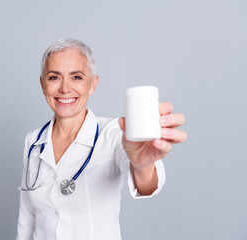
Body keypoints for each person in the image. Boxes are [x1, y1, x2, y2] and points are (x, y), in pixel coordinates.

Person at [16, 39, 187, 240]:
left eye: (76, 77)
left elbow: (145, 184)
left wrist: (143, 165)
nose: (64, 88)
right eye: (54, 77)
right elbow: (27, 220)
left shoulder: (114, 133)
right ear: (43, 84)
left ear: (92, 84)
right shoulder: (33, 141)